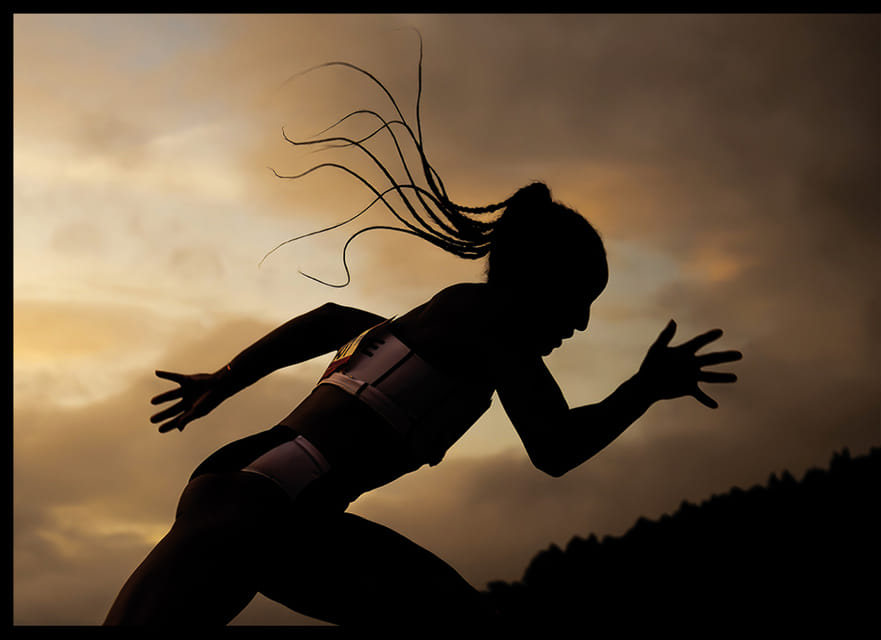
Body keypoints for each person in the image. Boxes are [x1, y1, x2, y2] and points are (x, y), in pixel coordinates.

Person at [103, 55, 742, 628]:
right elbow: (555, 448)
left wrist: (227, 377)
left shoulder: (443, 321)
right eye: (577, 305)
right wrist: (643, 387)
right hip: (263, 503)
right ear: (538, 285)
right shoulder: (490, 322)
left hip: (271, 502)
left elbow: (329, 320)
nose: (579, 326)